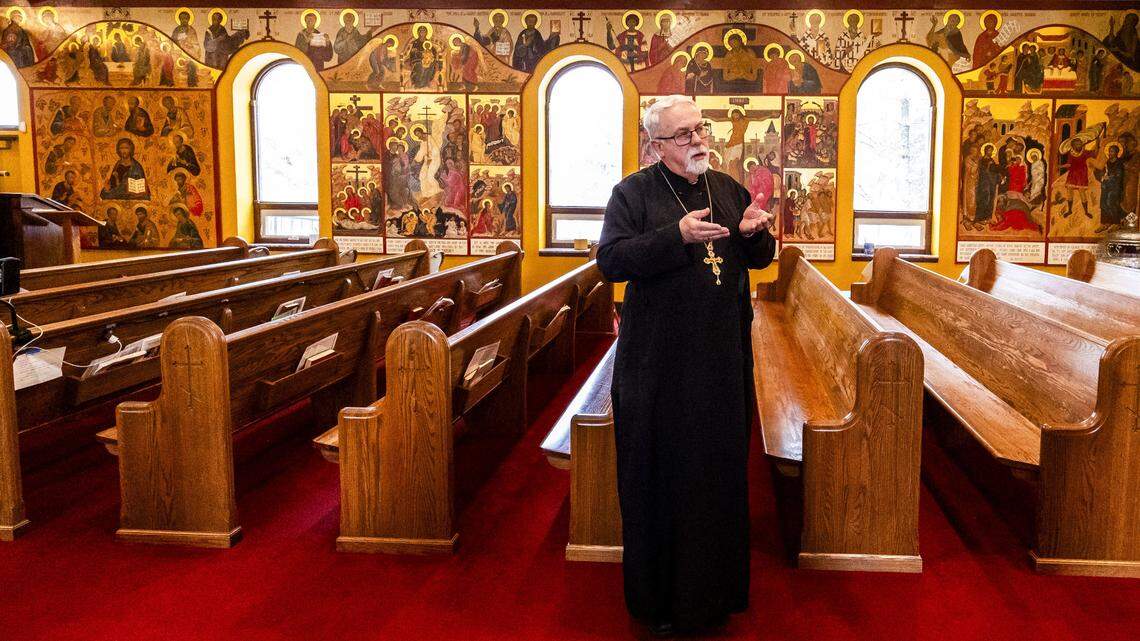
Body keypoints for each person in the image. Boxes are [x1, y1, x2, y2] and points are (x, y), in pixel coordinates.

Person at [596, 95, 775, 637]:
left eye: (700, 128)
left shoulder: (728, 190)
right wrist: (675, 237)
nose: (698, 139)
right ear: (657, 146)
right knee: (662, 476)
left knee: (716, 478)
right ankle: (662, 602)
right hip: (658, 368)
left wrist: (756, 235)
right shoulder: (632, 194)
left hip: (720, 363)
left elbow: (758, 259)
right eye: (683, 134)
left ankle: (714, 595)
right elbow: (611, 261)